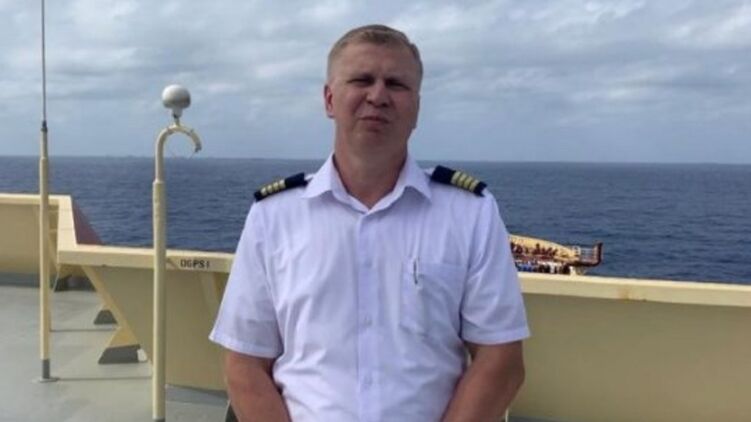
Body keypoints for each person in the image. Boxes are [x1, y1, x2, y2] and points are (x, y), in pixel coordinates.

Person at [209, 24, 529, 422]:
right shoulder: (274, 216)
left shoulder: (469, 213)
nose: (378, 96)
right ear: (329, 99)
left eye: (396, 84)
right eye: (362, 80)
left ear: (416, 108)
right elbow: (244, 363)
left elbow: (501, 359)